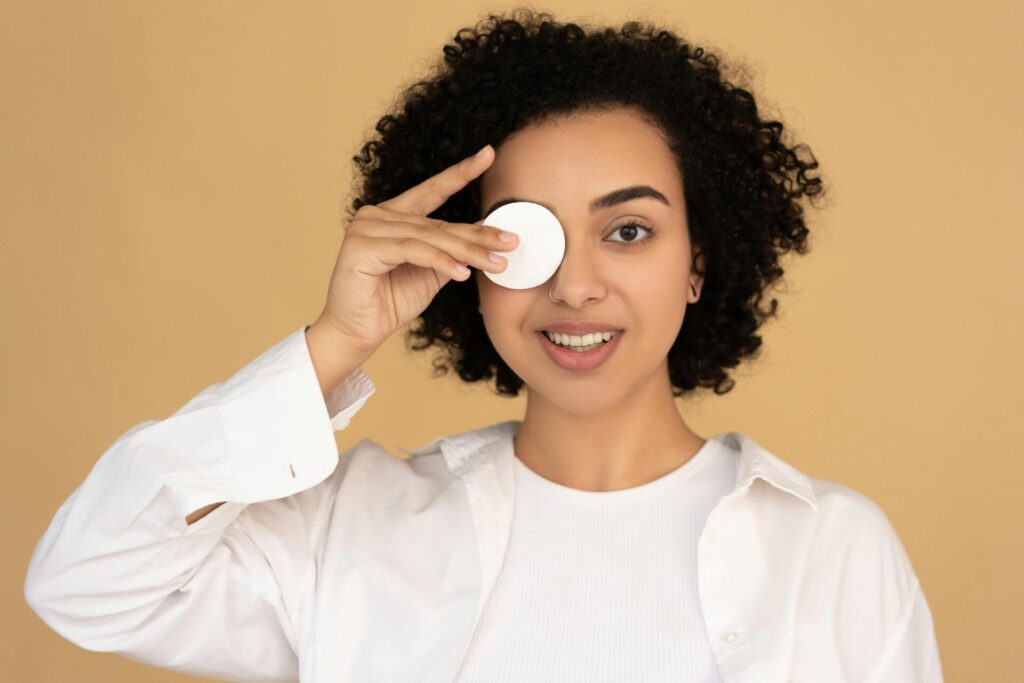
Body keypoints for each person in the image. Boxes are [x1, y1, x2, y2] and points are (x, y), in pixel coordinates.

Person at [24, 9, 943, 682]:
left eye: (628, 231)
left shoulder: (835, 550)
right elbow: (86, 582)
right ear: (464, 256)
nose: (575, 285)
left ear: (699, 263)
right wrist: (332, 346)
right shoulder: (353, 530)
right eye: (525, 234)